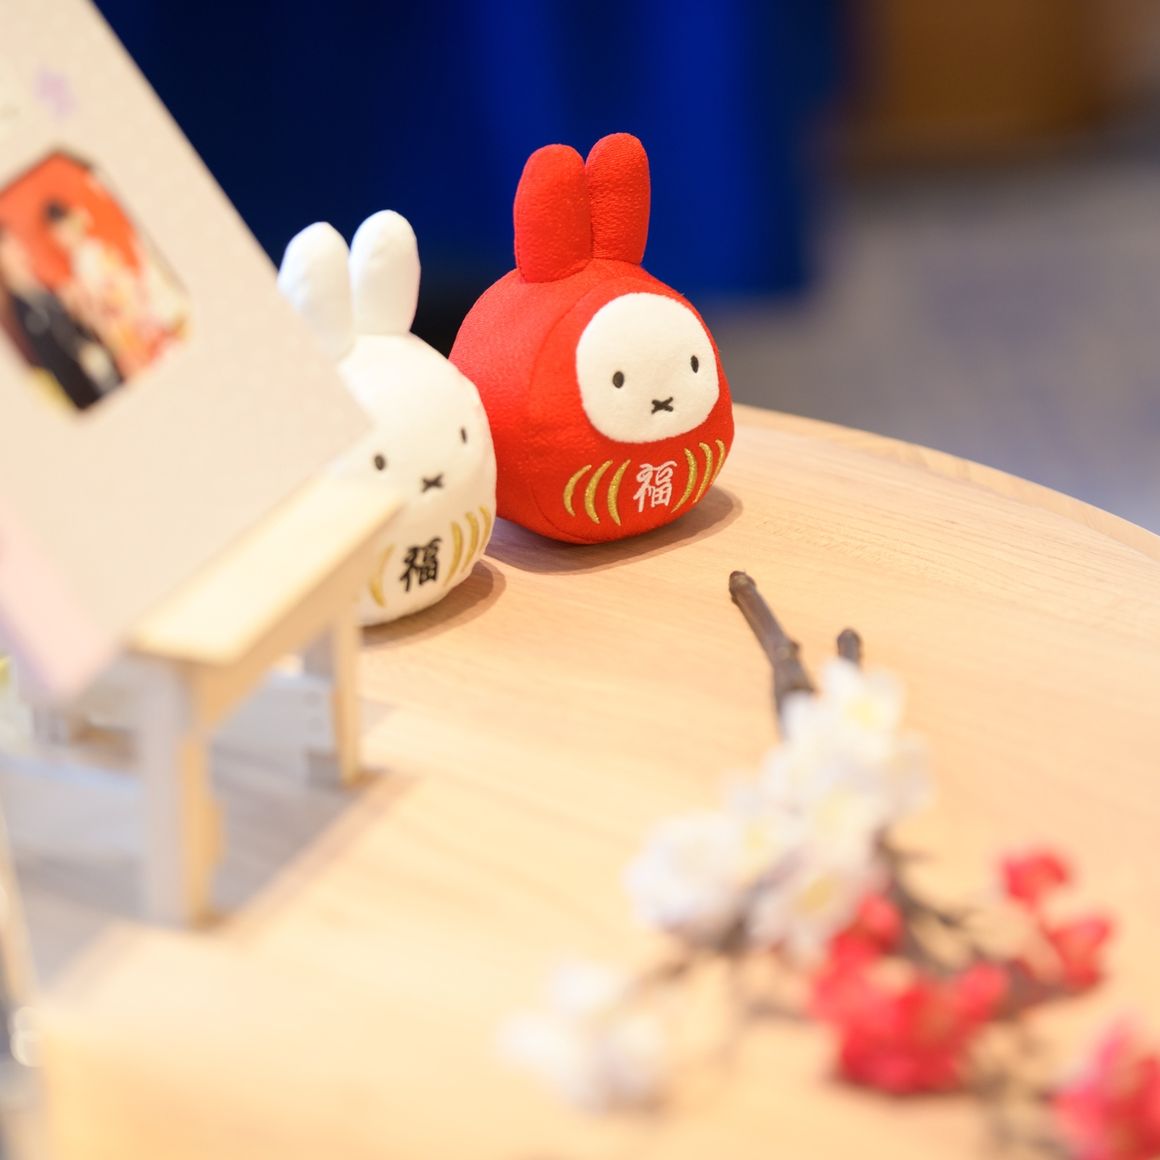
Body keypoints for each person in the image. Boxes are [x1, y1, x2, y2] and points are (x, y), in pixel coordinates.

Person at [0, 222, 122, 410]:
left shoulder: (44, 289)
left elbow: (75, 328)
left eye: (15, 243)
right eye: (9, 246)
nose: (18, 249)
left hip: (103, 372)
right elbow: (54, 362)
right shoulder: (20, 312)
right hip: (87, 394)